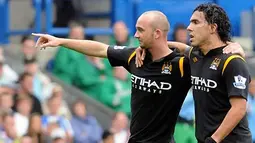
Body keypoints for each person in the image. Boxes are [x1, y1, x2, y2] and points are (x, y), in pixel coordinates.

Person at [32, 10, 192, 143]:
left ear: (157, 33)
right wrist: (60, 41)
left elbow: (214, 60)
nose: (135, 35)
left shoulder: (182, 65)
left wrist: (183, 47)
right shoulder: (134, 57)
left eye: (141, 30)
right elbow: (101, 49)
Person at [135, 3, 251, 143]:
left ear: (213, 27)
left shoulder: (233, 61)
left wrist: (214, 139)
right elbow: (181, 47)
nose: (189, 27)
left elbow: (239, 108)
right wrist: (146, 47)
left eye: (195, 22)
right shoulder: (195, 55)